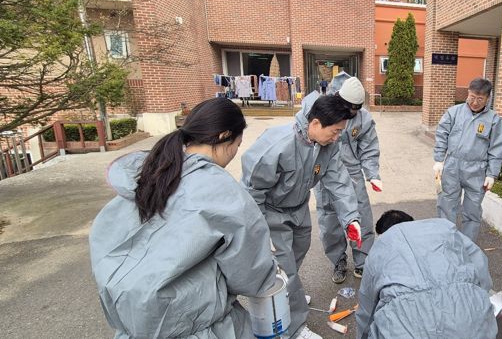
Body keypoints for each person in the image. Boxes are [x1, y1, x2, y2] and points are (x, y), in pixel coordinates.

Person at [89, 98, 277, 338]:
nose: (233, 154)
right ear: (224, 136)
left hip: (132, 320)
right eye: (237, 145)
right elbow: (250, 275)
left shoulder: (148, 172)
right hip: (192, 324)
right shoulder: (221, 191)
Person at [241, 94, 362, 339]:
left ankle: (287, 294)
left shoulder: (327, 144)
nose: (338, 137)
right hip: (272, 213)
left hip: (299, 209)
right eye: (336, 131)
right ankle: (295, 327)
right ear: (316, 123)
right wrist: (260, 231)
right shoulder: (278, 145)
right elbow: (251, 192)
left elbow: (338, 180)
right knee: (285, 266)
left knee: (295, 257)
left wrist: (351, 218)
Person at [355, 210, 498, 339]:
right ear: (413, 222)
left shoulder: (379, 248)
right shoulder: (444, 228)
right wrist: (479, 300)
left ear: (382, 233)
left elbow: (367, 311)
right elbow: (480, 268)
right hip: (471, 323)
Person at [299, 71, 381, 283]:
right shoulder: (321, 108)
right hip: (324, 173)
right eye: (349, 108)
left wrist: (372, 174)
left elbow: (369, 148)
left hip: (352, 175)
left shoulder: (363, 118)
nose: (352, 113)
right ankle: (338, 260)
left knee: (360, 218)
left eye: (357, 109)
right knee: (329, 222)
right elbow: (303, 136)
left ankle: (363, 262)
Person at [434, 77, 502, 241]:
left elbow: (497, 148)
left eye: (479, 99)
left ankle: (467, 246)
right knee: (446, 205)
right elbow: (441, 135)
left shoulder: (494, 120)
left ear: (488, 98)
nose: (474, 102)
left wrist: (491, 174)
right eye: (472, 97)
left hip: (477, 170)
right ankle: (446, 242)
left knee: (472, 210)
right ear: (468, 93)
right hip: (452, 166)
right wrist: (439, 160)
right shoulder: (454, 112)